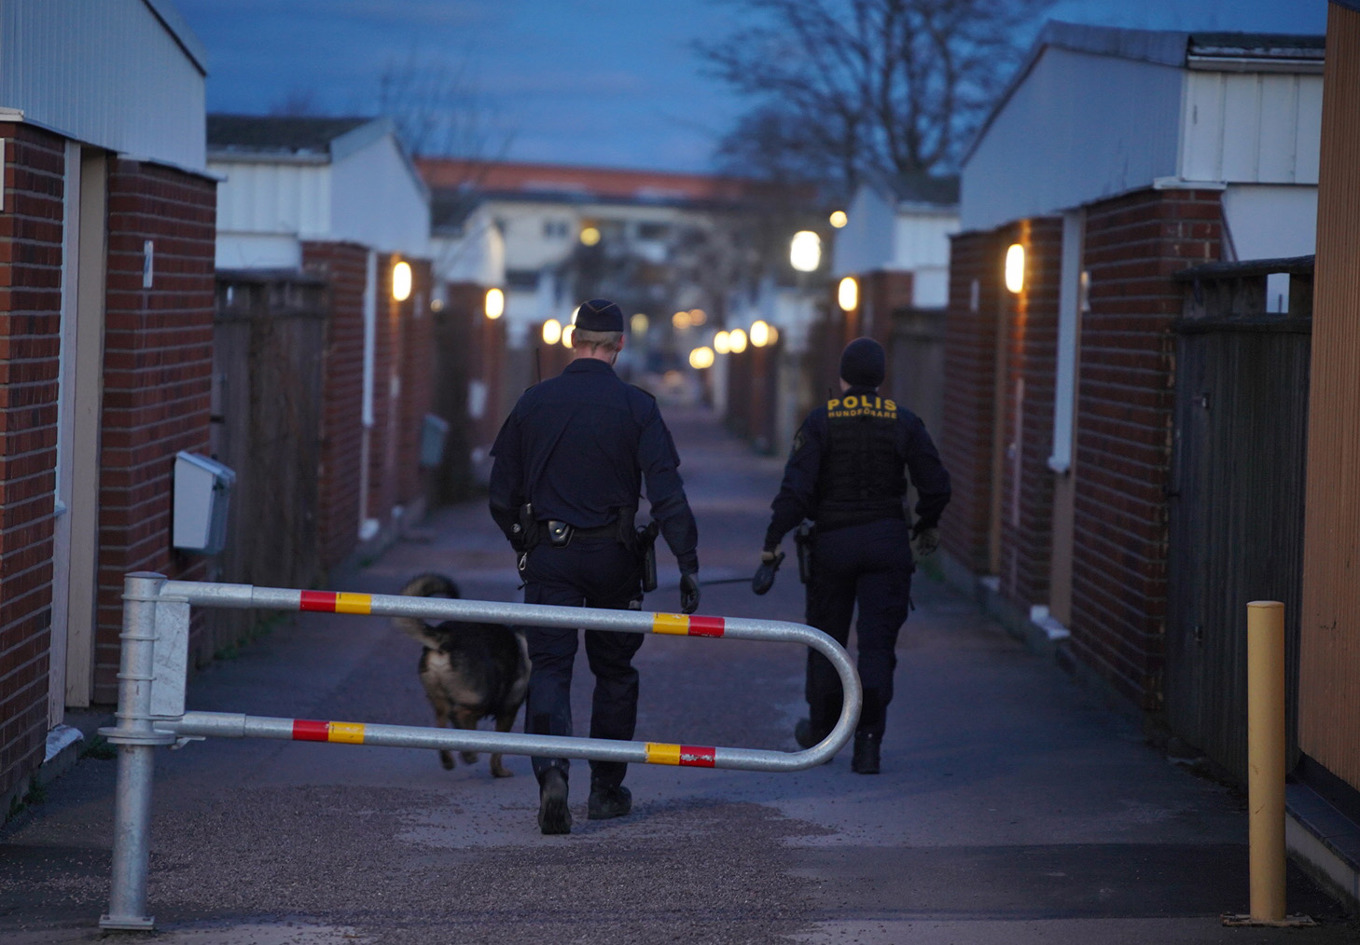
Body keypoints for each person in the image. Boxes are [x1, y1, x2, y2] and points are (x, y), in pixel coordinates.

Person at [489, 297, 701, 835]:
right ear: (620, 345)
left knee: (552, 670)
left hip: (551, 559)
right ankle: (606, 789)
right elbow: (668, 493)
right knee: (614, 673)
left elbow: (500, 494)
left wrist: (524, 541)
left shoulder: (534, 402)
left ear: (572, 339)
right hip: (615, 558)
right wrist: (688, 561)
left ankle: (552, 774)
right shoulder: (638, 407)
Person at [756, 337, 950, 774]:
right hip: (887, 544)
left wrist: (772, 543)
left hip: (834, 546)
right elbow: (936, 484)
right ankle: (868, 744)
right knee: (878, 647)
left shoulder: (821, 421)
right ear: (881, 378)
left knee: (826, 643)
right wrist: (926, 524)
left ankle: (823, 735)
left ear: (843, 377)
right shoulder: (905, 421)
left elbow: (796, 491)